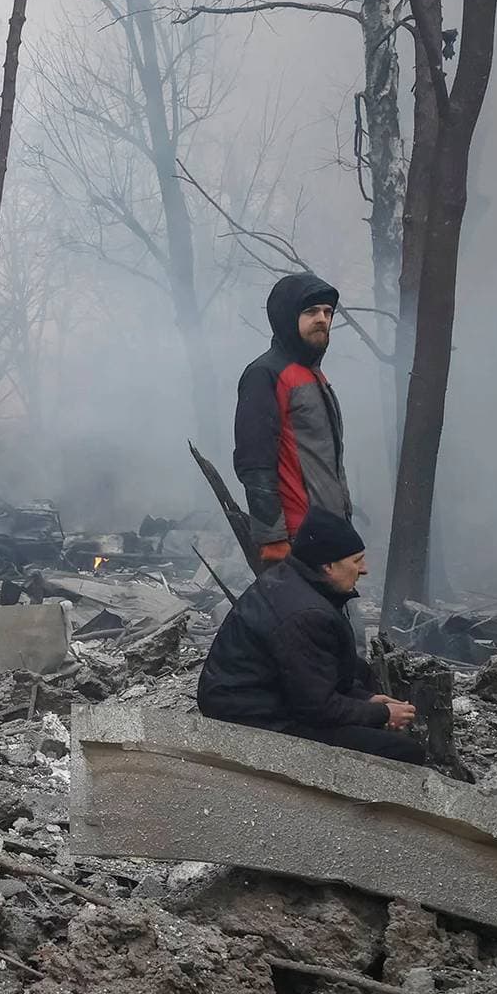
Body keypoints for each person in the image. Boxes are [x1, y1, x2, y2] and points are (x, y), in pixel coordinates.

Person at [197, 507, 425, 764]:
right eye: (356, 561)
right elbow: (317, 709)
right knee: (405, 752)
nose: (364, 569)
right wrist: (382, 714)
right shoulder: (306, 616)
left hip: (260, 696)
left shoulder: (291, 577)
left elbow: (314, 675)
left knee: (360, 672)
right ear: (328, 566)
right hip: (250, 719)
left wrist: (366, 699)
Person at [234, 273, 351, 564]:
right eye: (311, 312)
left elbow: (327, 463)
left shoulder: (315, 376)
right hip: (297, 538)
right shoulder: (265, 374)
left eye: (327, 312)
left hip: (330, 533)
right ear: (287, 317)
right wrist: (272, 537)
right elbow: (255, 460)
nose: (322, 319)